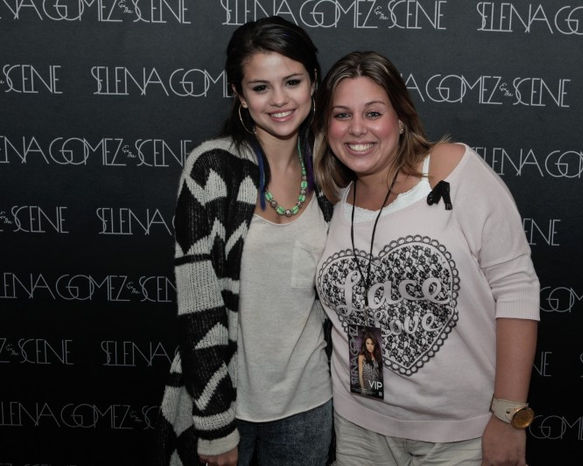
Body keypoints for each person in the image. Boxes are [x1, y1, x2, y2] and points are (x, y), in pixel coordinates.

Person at [313, 51, 540, 466]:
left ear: (400, 119)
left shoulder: (451, 171)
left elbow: (516, 288)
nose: (357, 128)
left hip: (459, 436)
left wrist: (508, 416)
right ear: (326, 126)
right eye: (341, 114)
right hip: (359, 427)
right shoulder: (335, 201)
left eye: (373, 112)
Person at [155, 17, 333, 466]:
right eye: (260, 87)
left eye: (292, 81)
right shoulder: (211, 169)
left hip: (311, 404)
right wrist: (215, 426)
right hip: (227, 406)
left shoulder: (334, 170)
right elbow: (198, 307)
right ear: (239, 94)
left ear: (313, 82)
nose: (279, 100)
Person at [356, 331, 383, 397]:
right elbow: (360, 374)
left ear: (375, 345)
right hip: (367, 388)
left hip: (377, 387)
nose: (369, 346)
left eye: (372, 344)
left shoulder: (378, 356)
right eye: (367, 343)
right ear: (365, 344)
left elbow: (380, 373)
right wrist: (363, 389)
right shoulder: (361, 357)